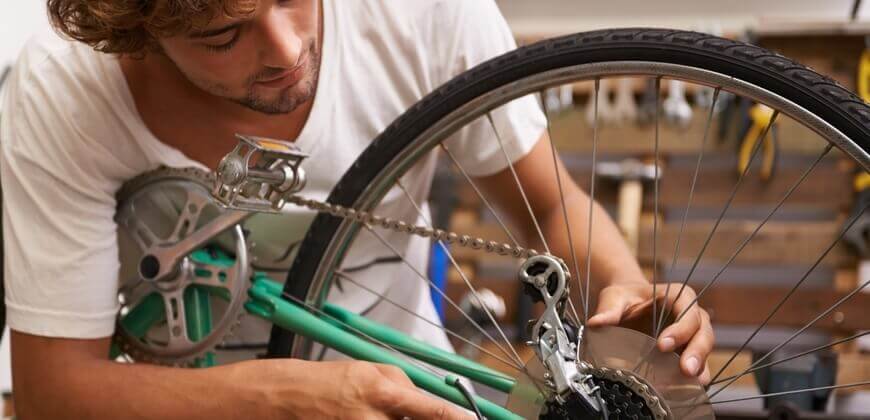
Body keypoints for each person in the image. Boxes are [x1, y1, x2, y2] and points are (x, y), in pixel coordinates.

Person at [0, 0, 714, 418]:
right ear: (137, 30)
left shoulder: (420, 13)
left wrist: (622, 283)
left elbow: (551, 206)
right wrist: (284, 399)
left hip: (420, 398)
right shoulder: (63, 90)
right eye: (223, 33)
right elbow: (51, 387)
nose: (286, 48)